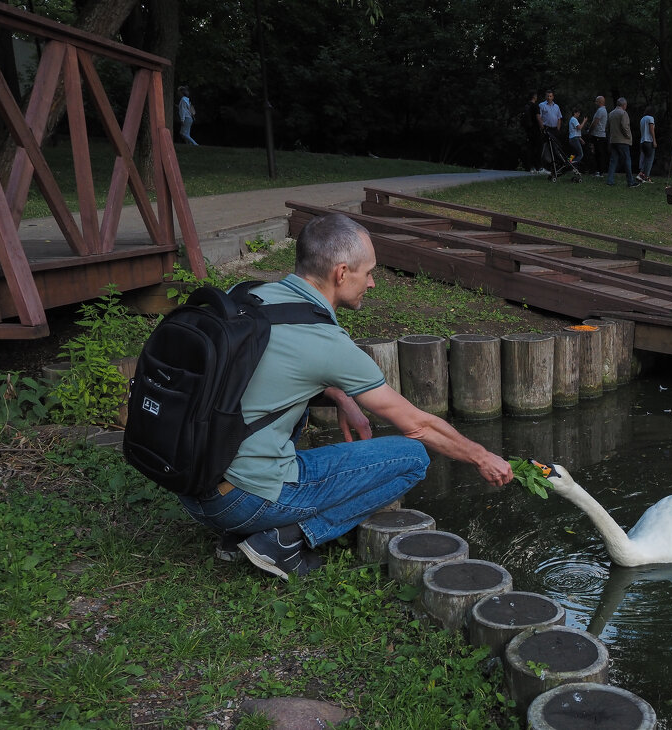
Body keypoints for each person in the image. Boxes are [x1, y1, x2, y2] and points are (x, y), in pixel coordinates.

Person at [177, 213, 514, 580]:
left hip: (192, 485)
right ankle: (284, 538)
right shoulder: (327, 343)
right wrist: (481, 457)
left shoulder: (246, 296)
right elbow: (417, 426)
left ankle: (241, 533)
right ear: (341, 274)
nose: (371, 283)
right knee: (413, 457)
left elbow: (273, 368)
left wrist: (342, 396)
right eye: (368, 272)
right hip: (243, 501)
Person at [607, 97, 638, 187]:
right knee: (627, 160)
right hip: (623, 140)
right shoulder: (623, 113)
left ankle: (610, 180)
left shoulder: (611, 113)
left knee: (613, 160)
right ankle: (630, 182)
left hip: (613, 140)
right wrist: (628, 136)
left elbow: (607, 127)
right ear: (624, 105)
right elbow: (625, 126)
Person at [538, 89, 563, 169]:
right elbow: (539, 118)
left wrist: (558, 129)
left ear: (553, 97)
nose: (549, 98)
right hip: (546, 128)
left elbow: (559, 118)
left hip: (554, 129)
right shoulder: (542, 105)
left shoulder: (556, 106)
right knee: (546, 148)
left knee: (556, 147)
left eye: (550, 96)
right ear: (545, 97)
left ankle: (556, 166)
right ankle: (543, 166)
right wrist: (542, 128)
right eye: (548, 96)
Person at [587, 95, 609, 176]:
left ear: (600, 102)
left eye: (596, 101)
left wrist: (589, 131)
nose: (595, 103)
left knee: (597, 154)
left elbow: (595, 123)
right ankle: (599, 171)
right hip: (601, 134)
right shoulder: (604, 110)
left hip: (598, 135)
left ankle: (599, 171)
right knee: (600, 153)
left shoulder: (600, 111)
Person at [523, 91, 543, 173]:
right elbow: (538, 118)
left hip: (528, 130)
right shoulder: (535, 106)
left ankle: (530, 167)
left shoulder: (526, 106)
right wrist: (542, 127)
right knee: (538, 149)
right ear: (534, 97)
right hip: (535, 130)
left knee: (530, 149)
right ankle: (538, 167)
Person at [638, 107, 657, 182]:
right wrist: (654, 140)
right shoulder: (651, 118)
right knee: (650, 159)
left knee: (645, 159)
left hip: (642, 141)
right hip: (649, 141)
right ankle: (646, 176)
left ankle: (641, 175)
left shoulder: (642, 119)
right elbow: (651, 129)